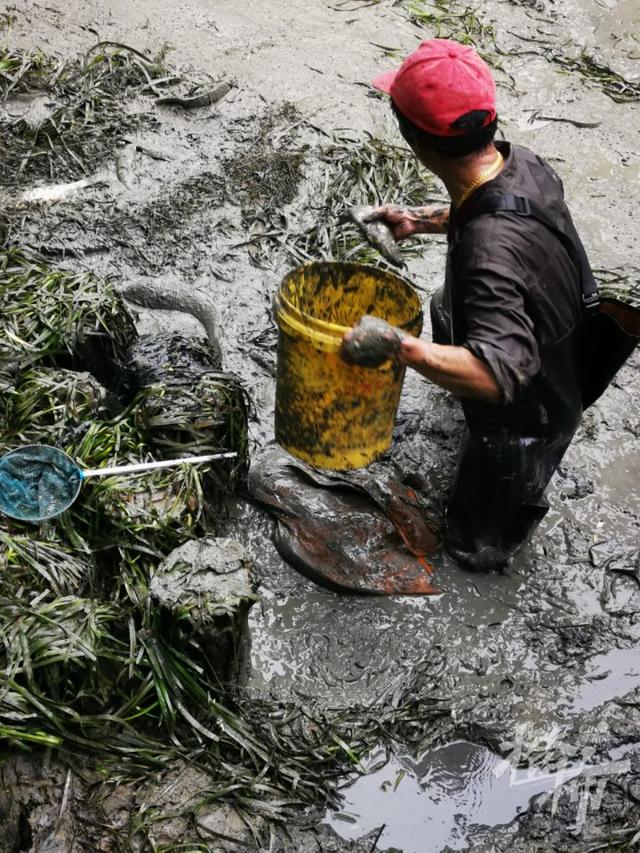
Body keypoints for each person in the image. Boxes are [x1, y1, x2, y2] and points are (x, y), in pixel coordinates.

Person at [343, 38, 598, 571]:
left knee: (474, 539)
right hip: (560, 343)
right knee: (447, 304)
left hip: (531, 410)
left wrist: (398, 345)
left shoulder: (487, 254)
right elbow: (495, 207)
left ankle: (486, 544)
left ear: (413, 137)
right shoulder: (520, 162)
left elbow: (498, 375)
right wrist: (420, 220)